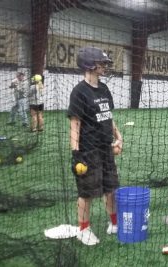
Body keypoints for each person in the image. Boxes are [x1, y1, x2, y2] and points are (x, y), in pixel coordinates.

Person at [68, 47, 123, 246]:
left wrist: (118, 136)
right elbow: (75, 124)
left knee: (111, 187)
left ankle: (114, 223)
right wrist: (76, 153)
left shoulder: (104, 89)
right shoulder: (79, 92)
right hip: (88, 150)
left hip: (106, 147)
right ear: (90, 65)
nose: (105, 66)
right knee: (87, 192)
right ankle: (83, 229)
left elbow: (108, 116)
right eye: (101, 63)